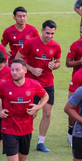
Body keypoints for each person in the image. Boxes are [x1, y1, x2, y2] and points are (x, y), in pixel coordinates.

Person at [0, 59, 49, 161]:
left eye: (17, 69)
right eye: (12, 70)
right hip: (9, 129)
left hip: (26, 129)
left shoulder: (34, 84)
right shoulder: (4, 85)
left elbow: (45, 96)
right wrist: (0, 110)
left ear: (25, 70)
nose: (14, 72)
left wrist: (38, 107)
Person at [15, 20, 61, 153]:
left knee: (47, 113)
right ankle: (20, 137)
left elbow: (58, 61)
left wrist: (55, 65)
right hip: (31, 84)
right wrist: (31, 69)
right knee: (30, 113)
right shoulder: (30, 43)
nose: (49, 36)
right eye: (47, 33)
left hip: (47, 84)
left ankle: (41, 142)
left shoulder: (56, 46)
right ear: (41, 30)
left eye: (52, 34)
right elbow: (18, 59)